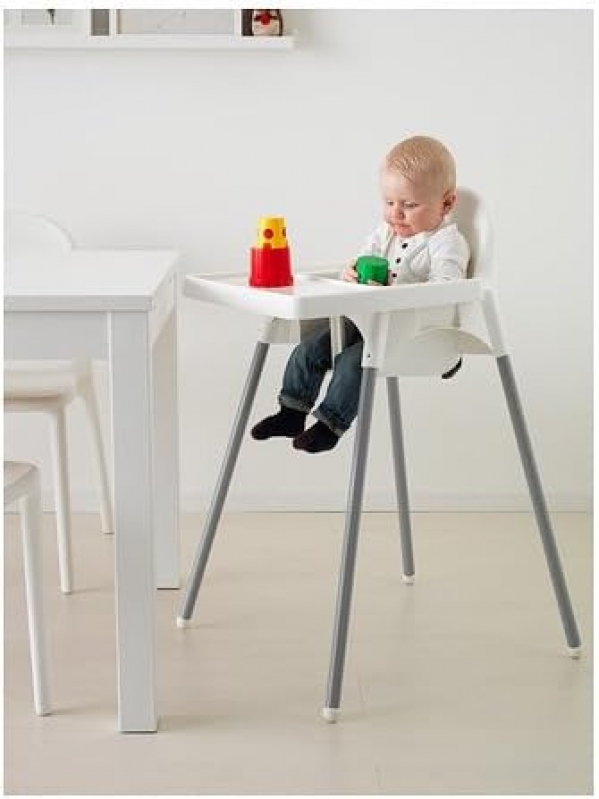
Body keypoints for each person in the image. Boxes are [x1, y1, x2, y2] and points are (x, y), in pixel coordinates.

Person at [251, 135, 470, 454]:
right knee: (310, 348)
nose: (397, 213)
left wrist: (395, 292)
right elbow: (361, 258)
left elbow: (446, 289)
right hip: (366, 315)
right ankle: (291, 412)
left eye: (409, 205)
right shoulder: (386, 232)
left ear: (446, 203)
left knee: (352, 361)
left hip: (411, 329)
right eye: (389, 202)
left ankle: (330, 424)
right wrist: (350, 273)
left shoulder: (446, 243)